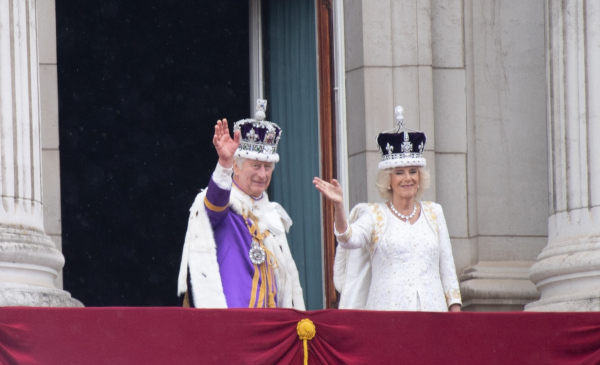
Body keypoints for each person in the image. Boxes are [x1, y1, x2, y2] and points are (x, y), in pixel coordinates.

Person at [313, 106, 461, 312]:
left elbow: (447, 269)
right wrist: (339, 206)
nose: (407, 178)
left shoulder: (434, 213)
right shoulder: (374, 214)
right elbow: (348, 238)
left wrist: (455, 314)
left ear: (419, 178)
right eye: (399, 172)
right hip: (387, 318)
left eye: (412, 171)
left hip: (434, 316)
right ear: (389, 180)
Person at [177, 99, 305, 309]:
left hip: (271, 325)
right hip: (231, 325)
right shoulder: (225, 208)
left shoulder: (272, 216)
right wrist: (223, 165)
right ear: (237, 167)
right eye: (255, 166)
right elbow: (214, 203)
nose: (262, 174)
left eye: (267, 167)